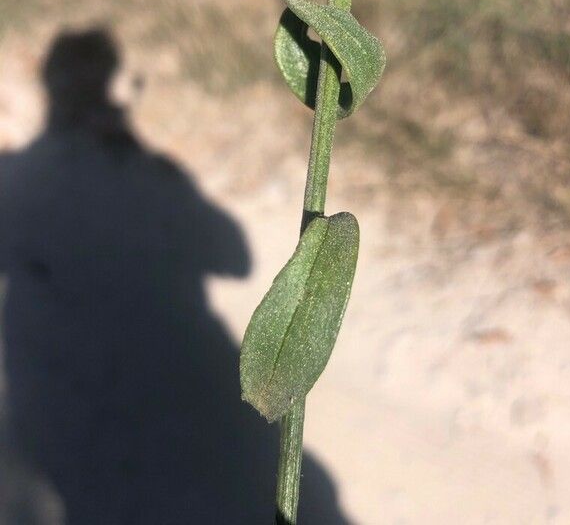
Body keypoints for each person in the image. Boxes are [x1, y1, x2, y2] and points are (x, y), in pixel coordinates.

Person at [0, 29, 351, 524]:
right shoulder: (144, 175)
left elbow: (234, 253)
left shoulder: (23, 176)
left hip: (89, 430)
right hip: (143, 415)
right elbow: (232, 254)